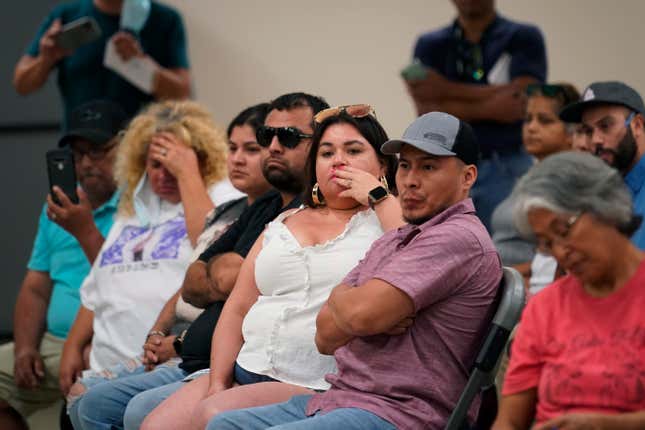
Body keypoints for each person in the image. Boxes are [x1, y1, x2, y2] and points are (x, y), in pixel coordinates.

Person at [205, 111, 502, 430]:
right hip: (344, 398)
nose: (411, 179)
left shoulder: (455, 236)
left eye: (428, 167)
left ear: (468, 177)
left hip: (402, 412)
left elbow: (359, 316)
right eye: (406, 165)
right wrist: (354, 306)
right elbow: (325, 335)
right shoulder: (402, 236)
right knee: (222, 424)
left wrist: (350, 305)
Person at [71, 92, 330, 429]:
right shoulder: (263, 204)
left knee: (129, 410)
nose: (274, 147)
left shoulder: (305, 210)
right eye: (267, 137)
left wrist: (183, 336)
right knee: (90, 404)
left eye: (289, 137)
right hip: (189, 352)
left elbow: (234, 283)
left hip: (233, 361)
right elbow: (193, 281)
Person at [139, 104, 401, 430]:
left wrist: (377, 195)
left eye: (354, 150)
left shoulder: (388, 219)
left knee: (214, 417)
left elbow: (414, 249)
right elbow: (237, 308)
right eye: (326, 152)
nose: (338, 161)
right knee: (152, 424)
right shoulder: (283, 220)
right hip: (246, 366)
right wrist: (218, 383)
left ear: (384, 165)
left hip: (315, 381)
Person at [59, 100, 242, 419]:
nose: (163, 174)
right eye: (154, 164)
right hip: (110, 362)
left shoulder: (225, 198)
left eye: (174, 164)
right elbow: (100, 284)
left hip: (168, 358)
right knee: (81, 404)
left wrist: (188, 175)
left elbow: (206, 242)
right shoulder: (133, 210)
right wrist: (72, 346)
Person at [492, 151, 645, 430]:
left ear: (605, 207)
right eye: (547, 243)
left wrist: (608, 425)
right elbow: (510, 422)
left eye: (563, 230)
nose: (560, 251)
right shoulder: (546, 308)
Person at [0, 100, 126, 430]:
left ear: (125, 151)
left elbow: (121, 284)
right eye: (77, 154)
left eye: (96, 152)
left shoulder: (134, 208)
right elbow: (36, 285)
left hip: (103, 338)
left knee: (94, 374)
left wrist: (83, 228)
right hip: (52, 341)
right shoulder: (57, 208)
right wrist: (26, 347)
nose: (85, 164)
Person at [405, 0, 547, 231]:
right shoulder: (429, 44)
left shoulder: (523, 37)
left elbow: (520, 104)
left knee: (509, 248)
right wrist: (497, 102)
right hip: (444, 167)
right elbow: (428, 113)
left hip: (505, 164)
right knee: (444, 245)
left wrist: (443, 90)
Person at [13, 0, 190, 123]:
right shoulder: (66, 16)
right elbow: (22, 84)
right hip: (81, 155)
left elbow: (181, 93)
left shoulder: (164, 20)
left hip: (138, 155)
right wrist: (46, 59)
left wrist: (141, 64)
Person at [491, 83, 579, 294]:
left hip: (525, 292)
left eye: (545, 120)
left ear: (572, 132)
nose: (531, 127)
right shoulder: (529, 176)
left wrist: (497, 276)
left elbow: (555, 256)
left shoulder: (569, 181)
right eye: (528, 119)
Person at [560, 81, 645, 250]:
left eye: (605, 126)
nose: (596, 140)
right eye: (589, 131)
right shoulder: (601, 189)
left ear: (637, 125)